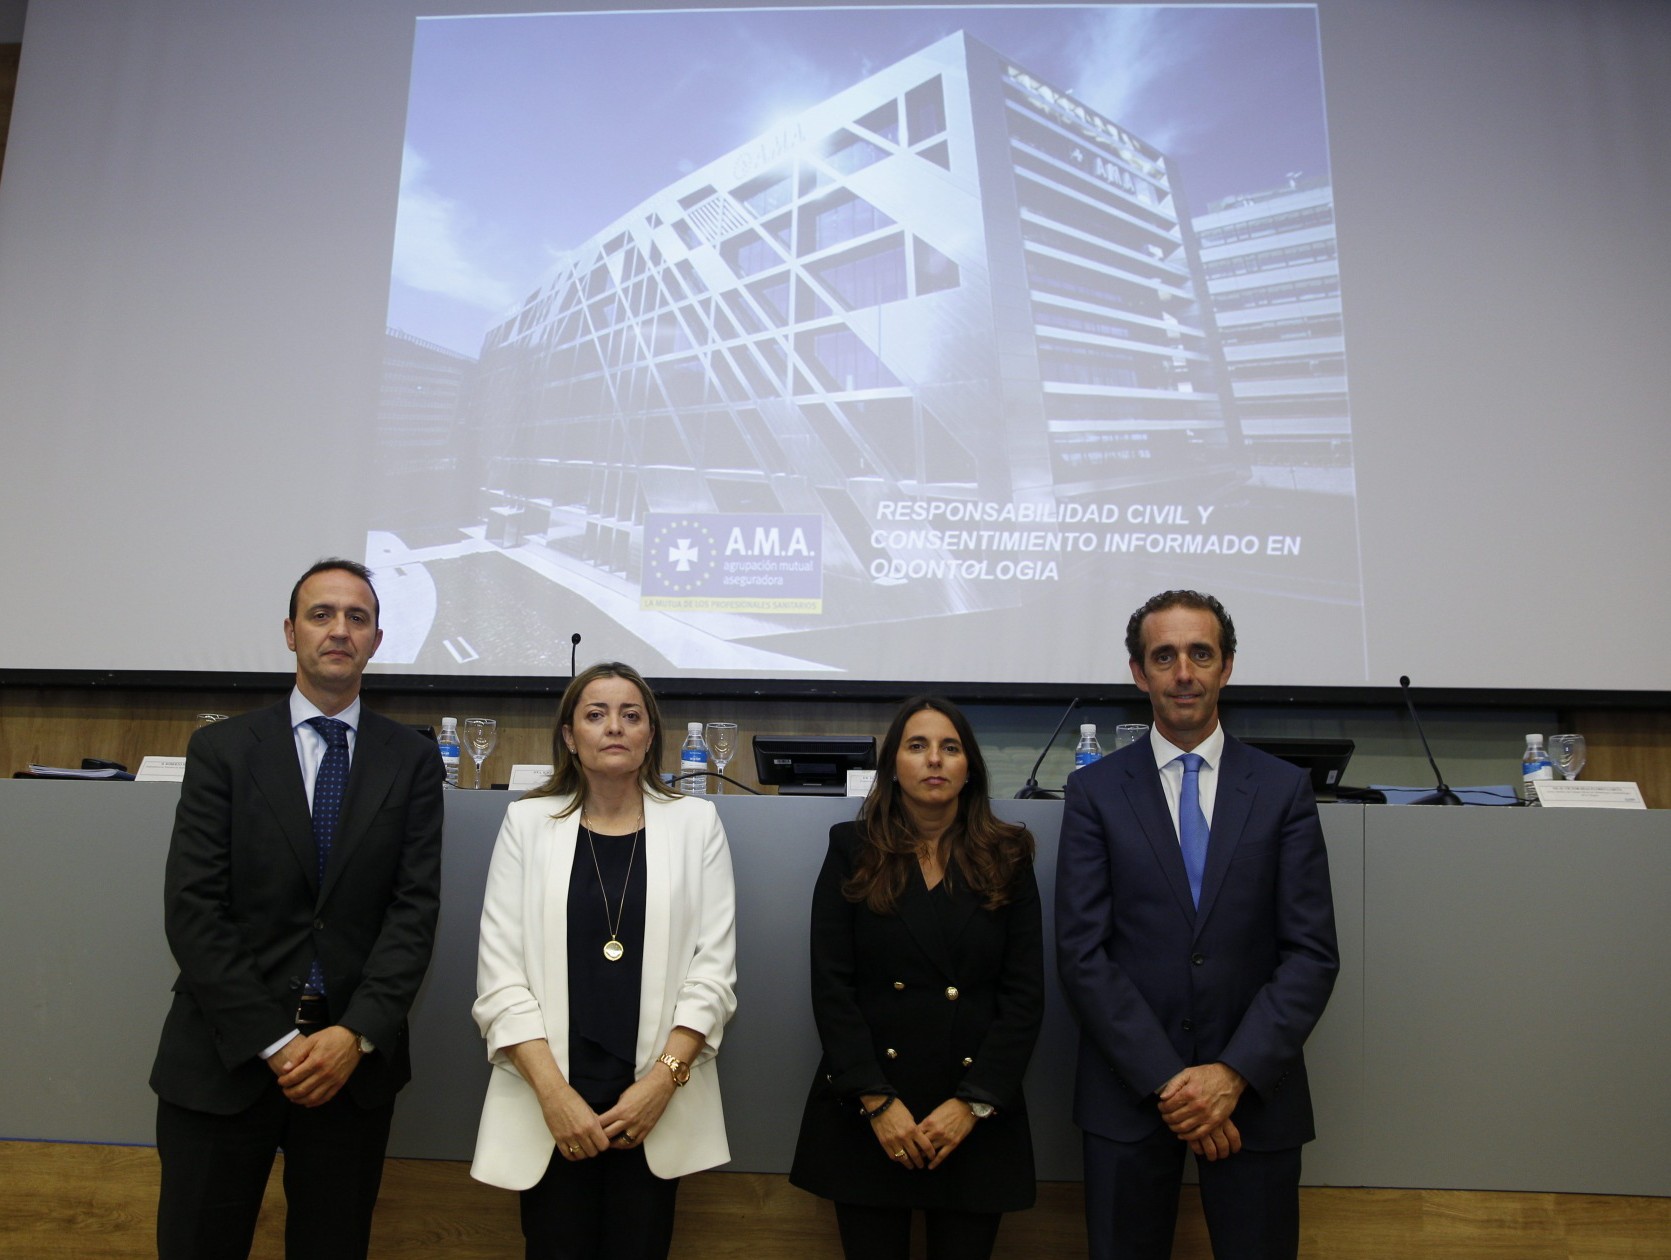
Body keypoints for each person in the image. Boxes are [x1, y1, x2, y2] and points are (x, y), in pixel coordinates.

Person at [149, 558, 445, 1260]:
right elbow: (193, 908)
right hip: (225, 1057)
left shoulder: (410, 760)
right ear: (290, 632)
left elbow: (412, 912)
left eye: (357, 618)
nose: (339, 630)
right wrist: (276, 1042)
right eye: (321, 615)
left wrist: (355, 1035)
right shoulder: (222, 750)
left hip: (350, 1070)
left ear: (376, 641)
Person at [1055, 590, 1340, 1260]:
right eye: (1164, 656)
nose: (1183, 672)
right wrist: (1172, 1083)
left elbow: (1311, 953)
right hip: (1130, 1097)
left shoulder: (1281, 790)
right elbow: (1082, 953)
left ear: (1226, 666)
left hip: (1254, 1100)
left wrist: (1230, 1075)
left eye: (1200, 654)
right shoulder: (1095, 792)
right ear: (1138, 672)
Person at [470, 661, 737, 1260]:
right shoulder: (526, 823)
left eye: (630, 715)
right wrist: (554, 1096)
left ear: (650, 735)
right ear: (570, 736)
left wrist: (662, 1082)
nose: (614, 727)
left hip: (652, 1107)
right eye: (596, 714)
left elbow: (713, 975)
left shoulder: (696, 824)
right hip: (549, 1104)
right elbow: (500, 978)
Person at [791, 696, 1044, 1260]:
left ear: (969, 767)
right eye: (917, 746)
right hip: (870, 1114)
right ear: (892, 766)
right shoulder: (851, 848)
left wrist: (972, 1104)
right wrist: (878, 1103)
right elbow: (832, 988)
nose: (934, 759)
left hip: (973, 1117)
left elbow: (1024, 997)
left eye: (950, 747)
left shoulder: (1008, 855)